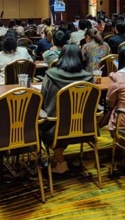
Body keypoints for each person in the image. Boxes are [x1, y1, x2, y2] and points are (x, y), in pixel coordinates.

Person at [40, 44, 93, 173]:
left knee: (38, 121)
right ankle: (59, 157)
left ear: (61, 57)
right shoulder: (88, 77)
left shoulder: (51, 75)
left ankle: (60, 162)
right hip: (84, 128)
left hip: (54, 129)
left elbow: (42, 99)